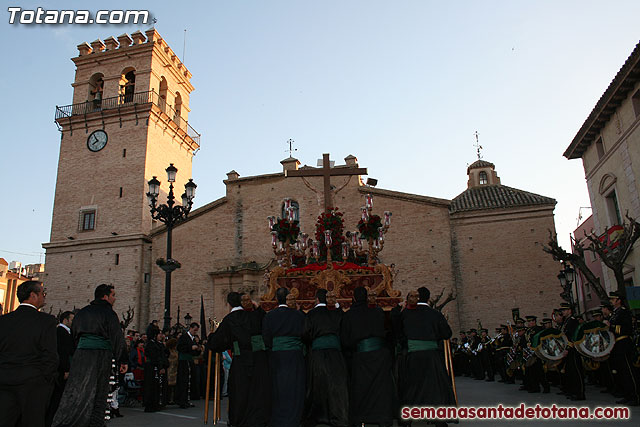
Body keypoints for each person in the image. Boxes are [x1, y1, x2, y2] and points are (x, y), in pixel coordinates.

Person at [53, 284, 128, 427]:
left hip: (81, 355)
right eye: (113, 295)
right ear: (105, 297)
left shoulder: (82, 313)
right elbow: (117, 337)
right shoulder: (109, 313)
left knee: (77, 389)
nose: (115, 298)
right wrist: (122, 359)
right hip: (100, 355)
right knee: (100, 392)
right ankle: (95, 423)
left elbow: (74, 335)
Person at [208, 291, 270, 427]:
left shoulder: (230, 319)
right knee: (258, 391)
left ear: (229, 303)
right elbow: (266, 322)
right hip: (259, 360)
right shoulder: (256, 316)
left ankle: (240, 420)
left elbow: (217, 343)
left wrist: (211, 337)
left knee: (240, 392)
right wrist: (257, 308)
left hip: (241, 360)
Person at [0, 280, 58, 427]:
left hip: (5, 381)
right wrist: (46, 379)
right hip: (34, 384)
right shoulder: (46, 321)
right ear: (33, 296)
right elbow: (50, 355)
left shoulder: (4, 320)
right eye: (42, 294)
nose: (44, 297)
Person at [400, 287, 455, 427]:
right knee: (435, 388)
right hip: (432, 356)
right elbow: (447, 333)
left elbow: (399, 333)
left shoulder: (405, 314)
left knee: (413, 386)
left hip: (413, 356)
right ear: (429, 298)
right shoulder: (435, 314)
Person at [341, 286, 394, 427]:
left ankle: (362, 419)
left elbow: (345, 341)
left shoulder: (349, 315)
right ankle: (383, 417)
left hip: (361, 356)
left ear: (353, 298)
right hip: (380, 355)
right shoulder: (378, 312)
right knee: (381, 389)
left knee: (361, 390)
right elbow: (387, 331)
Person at [302, 289, 349, 427]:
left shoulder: (311, 314)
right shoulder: (336, 313)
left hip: (318, 354)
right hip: (335, 353)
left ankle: (319, 417)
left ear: (317, 300)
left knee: (318, 385)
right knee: (337, 386)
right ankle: (338, 417)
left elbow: (305, 334)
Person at [263, 287, 306, 427]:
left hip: (277, 356)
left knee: (278, 386)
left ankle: (278, 417)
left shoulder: (269, 316)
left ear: (276, 299)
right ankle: (294, 417)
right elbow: (305, 334)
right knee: (295, 386)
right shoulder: (298, 315)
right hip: (294, 355)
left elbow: (266, 337)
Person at [608, 291, 640, 405]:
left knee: (628, 371)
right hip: (617, 345)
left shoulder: (624, 312)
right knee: (622, 372)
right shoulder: (615, 313)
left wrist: (610, 326)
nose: (611, 301)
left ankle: (634, 396)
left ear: (618, 300)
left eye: (613, 299)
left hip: (624, 344)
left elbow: (626, 328)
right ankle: (627, 394)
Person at [46, 311, 76, 427]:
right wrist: (65, 369)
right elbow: (62, 352)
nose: (73, 322)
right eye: (72, 319)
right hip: (61, 371)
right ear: (65, 320)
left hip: (63, 369)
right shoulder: (61, 332)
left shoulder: (65, 332)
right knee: (56, 398)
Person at [559, 302, 585, 401]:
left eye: (564, 310)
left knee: (576, 372)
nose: (563, 312)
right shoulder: (566, 321)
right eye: (562, 310)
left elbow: (572, 337)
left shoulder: (573, 321)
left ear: (570, 311)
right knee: (570, 371)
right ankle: (572, 391)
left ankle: (580, 393)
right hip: (567, 349)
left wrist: (567, 349)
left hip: (573, 349)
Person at [176, 322, 202, 408]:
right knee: (183, 380)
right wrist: (190, 347)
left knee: (189, 380)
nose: (195, 332)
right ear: (190, 328)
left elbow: (194, 352)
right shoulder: (184, 337)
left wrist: (198, 349)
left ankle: (187, 399)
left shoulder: (193, 339)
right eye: (194, 330)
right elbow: (180, 347)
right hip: (183, 361)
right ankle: (182, 400)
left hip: (189, 360)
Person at [144, 327, 168, 412]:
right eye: (159, 334)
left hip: (157, 366)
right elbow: (155, 356)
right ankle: (150, 404)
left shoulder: (159, 344)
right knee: (151, 386)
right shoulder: (151, 344)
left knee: (157, 386)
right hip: (152, 367)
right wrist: (160, 366)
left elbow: (163, 355)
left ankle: (157, 403)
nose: (161, 336)